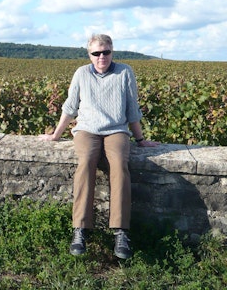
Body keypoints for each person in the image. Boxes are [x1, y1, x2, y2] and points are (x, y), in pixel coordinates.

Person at [40, 34, 159, 259]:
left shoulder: (125, 72)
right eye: (96, 53)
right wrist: (56, 135)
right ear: (89, 55)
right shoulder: (81, 73)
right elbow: (70, 107)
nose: (101, 57)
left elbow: (132, 109)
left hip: (116, 130)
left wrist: (141, 139)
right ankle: (80, 229)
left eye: (106, 52)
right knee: (85, 163)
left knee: (119, 165)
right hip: (87, 130)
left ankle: (120, 232)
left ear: (112, 51)